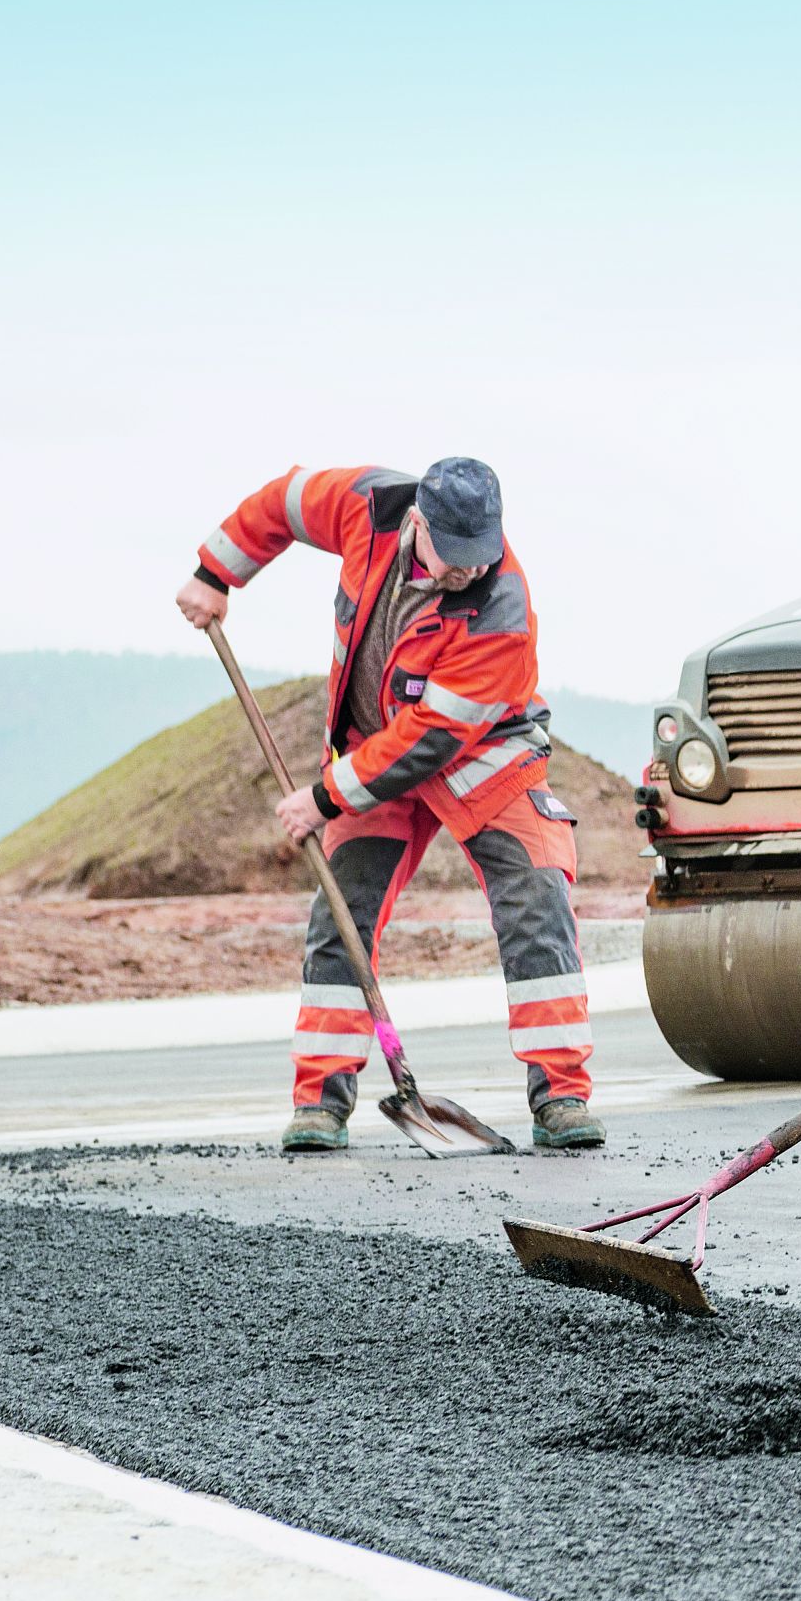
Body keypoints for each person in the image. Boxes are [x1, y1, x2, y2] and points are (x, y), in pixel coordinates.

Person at [175, 459, 601, 1153]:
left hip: (482, 756)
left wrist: (323, 798)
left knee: (536, 891)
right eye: (453, 557)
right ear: (417, 524)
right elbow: (282, 502)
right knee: (343, 909)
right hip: (372, 746)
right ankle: (319, 1100)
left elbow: (433, 737)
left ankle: (561, 1094)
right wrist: (215, 573)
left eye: (479, 556)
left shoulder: (502, 608)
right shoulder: (363, 506)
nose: (467, 571)